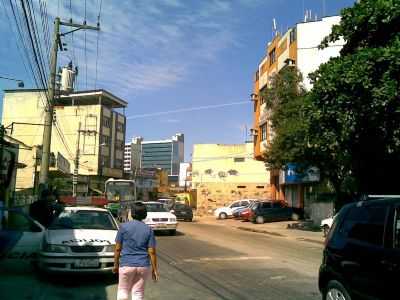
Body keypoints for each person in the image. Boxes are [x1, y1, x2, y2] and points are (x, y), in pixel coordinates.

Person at [113, 202, 159, 300]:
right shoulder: (148, 230)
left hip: (126, 265)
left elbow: (117, 249)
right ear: (144, 214)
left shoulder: (123, 227)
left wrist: (116, 265)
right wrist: (154, 270)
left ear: (132, 213)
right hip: (143, 266)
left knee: (123, 290)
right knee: (138, 293)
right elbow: (152, 252)